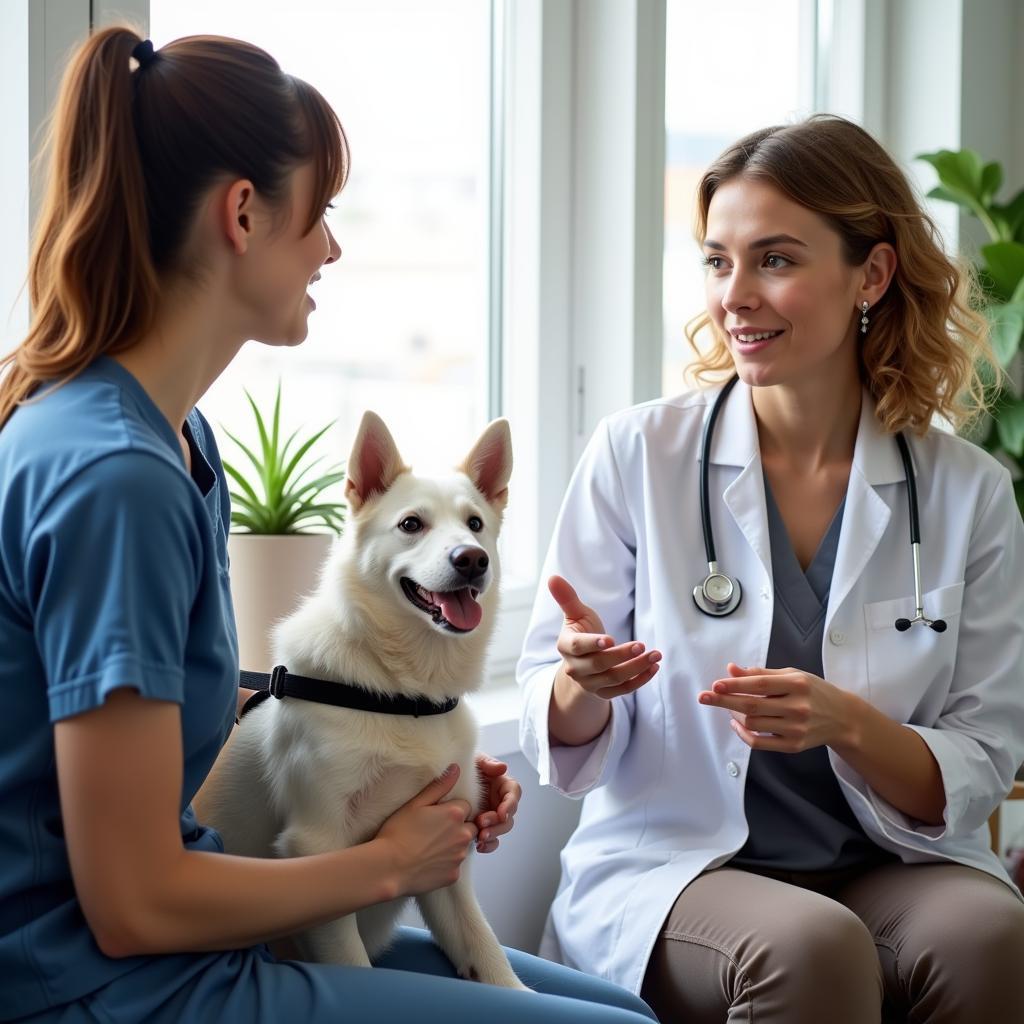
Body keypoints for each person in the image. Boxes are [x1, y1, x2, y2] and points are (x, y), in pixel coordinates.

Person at [0, 27, 658, 1024]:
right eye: (323, 215)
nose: (333, 249)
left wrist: (394, 758)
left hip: (159, 940)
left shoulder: (169, 442)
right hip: (95, 982)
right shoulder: (117, 478)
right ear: (243, 212)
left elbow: (135, 732)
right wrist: (390, 859)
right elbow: (132, 902)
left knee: (616, 1009)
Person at [517, 114, 1024, 1023]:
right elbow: (551, 720)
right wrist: (578, 682)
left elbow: (982, 762)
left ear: (870, 273)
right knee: (810, 947)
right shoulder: (638, 454)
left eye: (775, 261)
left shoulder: (965, 491)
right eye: (718, 261)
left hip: (886, 864)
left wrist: (850, 726)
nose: (734, 296)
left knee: (990, 933)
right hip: (684, 868)